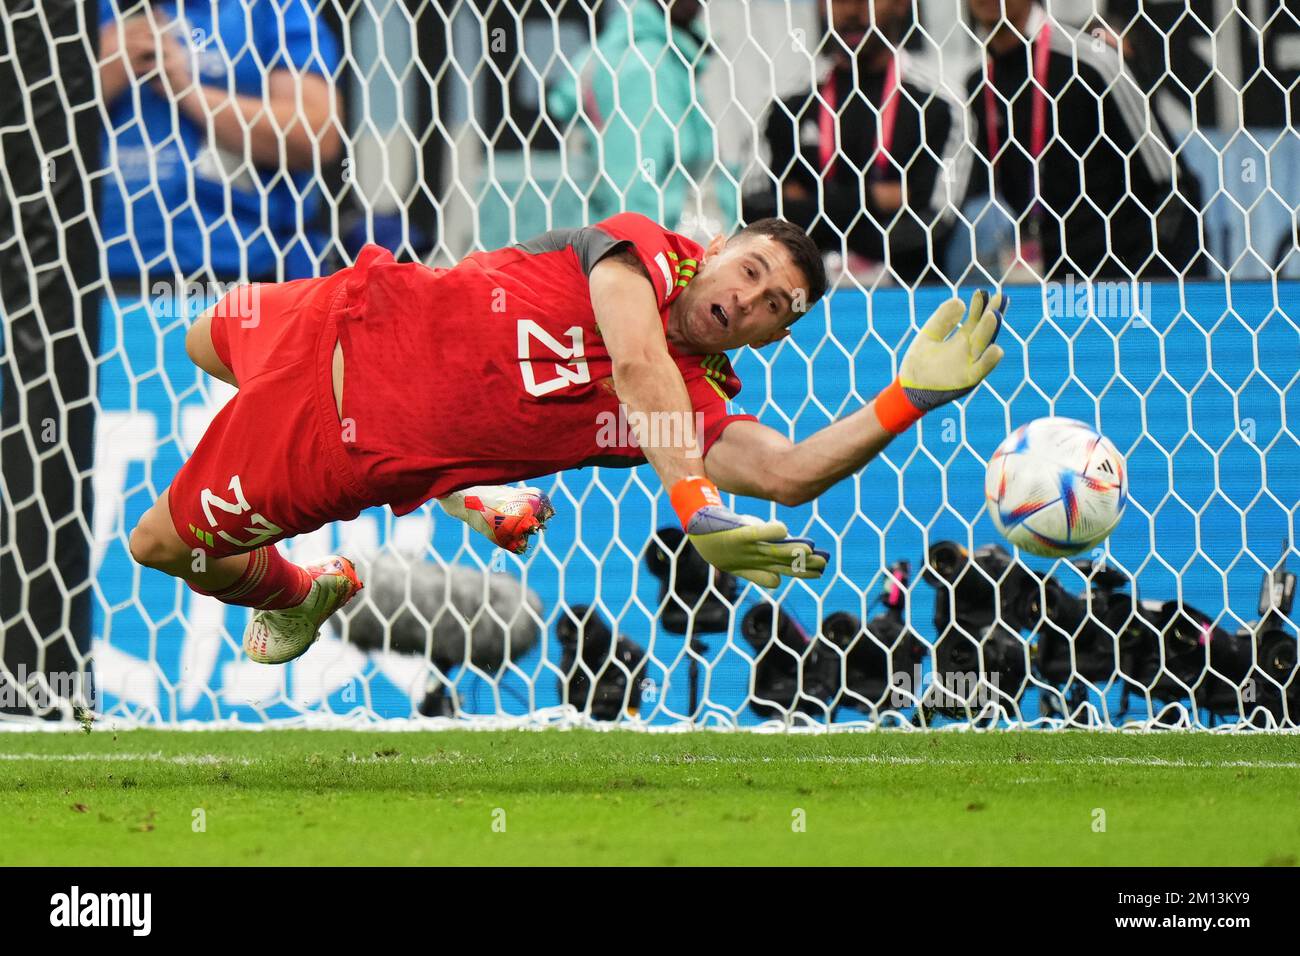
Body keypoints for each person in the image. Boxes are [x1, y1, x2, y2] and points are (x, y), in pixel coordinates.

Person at [126, 213, 1007, 664]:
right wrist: (695, 507)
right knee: (202, 335)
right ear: (713, 251)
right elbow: (635, 360)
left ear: (767, 340)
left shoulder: (690, 408)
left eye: (773, 306)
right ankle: (464, 488)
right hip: (347, 304)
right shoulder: (641, 251)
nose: (750, 298)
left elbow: (784, 473)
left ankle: (291, 593)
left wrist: (905, 400)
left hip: (329, 446)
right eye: (750, 270)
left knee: (158, 544)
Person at [957, 0, 1203, 281]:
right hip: (1040, 284)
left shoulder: (1092, 62)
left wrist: (1148, 292)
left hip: (1117, 284)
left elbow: (1174, 188)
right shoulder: (978, 83)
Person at [99, 0, 342, 283]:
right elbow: (42, 152)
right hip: (96, 279)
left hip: (241, 272)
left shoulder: (273, 9)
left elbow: (316, 134)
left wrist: (188, 92)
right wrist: (99, 78)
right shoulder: (83, 14)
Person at [746, 0, 970, 285]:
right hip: (805, 299)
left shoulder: (941, 102)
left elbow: (935, 224)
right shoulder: (787, 102)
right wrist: (877, 199)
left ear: (902, 5)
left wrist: (807, 208)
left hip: (910, 297)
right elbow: (756, 209)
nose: (851, 11)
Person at [546, 0, 714, 229]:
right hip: (655, 250)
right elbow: (639, 180)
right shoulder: (643, 66)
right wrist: (647, 258)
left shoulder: (663, 52)